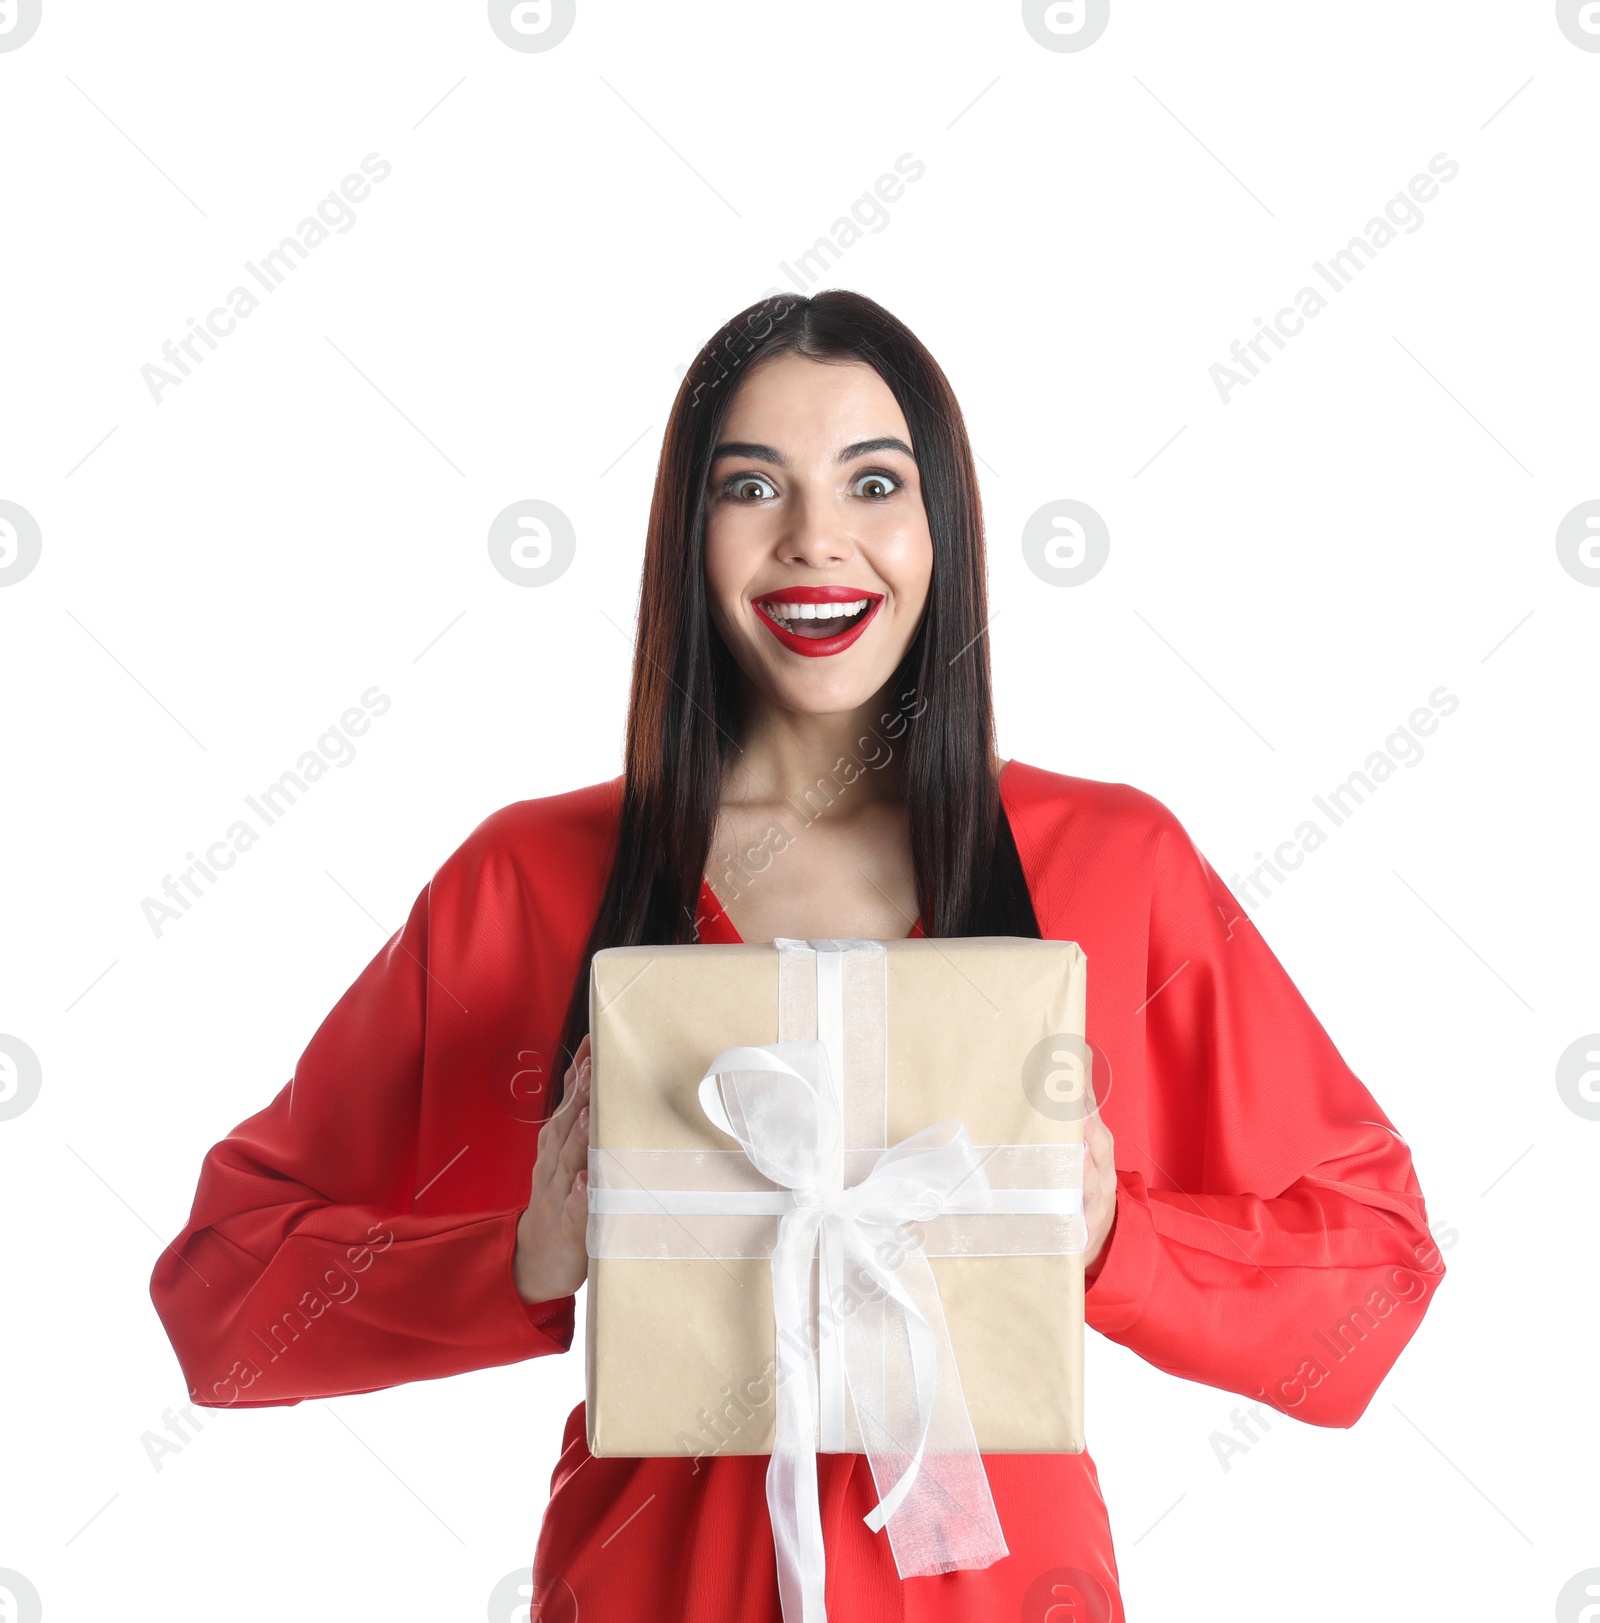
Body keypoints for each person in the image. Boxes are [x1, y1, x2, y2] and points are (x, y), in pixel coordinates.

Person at [150, 290, 1446, 1622]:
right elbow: (223, 1301)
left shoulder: (1114, 866)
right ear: (685, 537)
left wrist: (1121, 1233)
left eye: (873, 482)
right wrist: (523, 1254)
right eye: (751, 486)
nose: (816, 540)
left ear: (941, 525)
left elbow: (1378, 1279)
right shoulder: (533, 879)